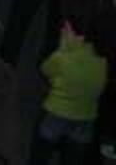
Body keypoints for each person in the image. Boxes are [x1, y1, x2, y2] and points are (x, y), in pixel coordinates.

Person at [28, 12, 108, 164]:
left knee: (39, 154)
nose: (62, 31)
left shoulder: (62, 57)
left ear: (80, 36)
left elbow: (45, 69)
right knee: (72, 158)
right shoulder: (102, 56)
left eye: (66, 28)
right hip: (86, 118)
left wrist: (62, 48)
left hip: (56, 114)